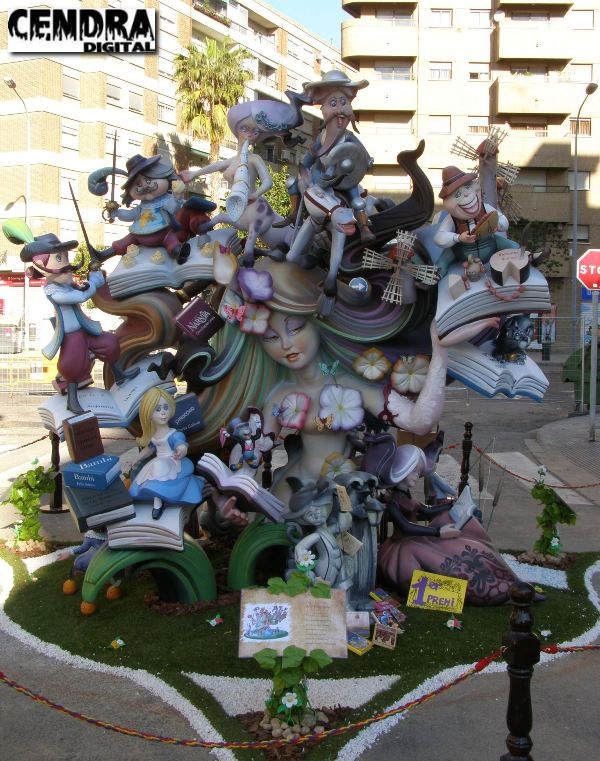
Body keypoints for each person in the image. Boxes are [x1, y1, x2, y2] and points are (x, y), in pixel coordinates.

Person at [187, 258, 499, 502]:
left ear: (318, 323)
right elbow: (252, 456)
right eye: (270, 336)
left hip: (343, 494)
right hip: (290, 492)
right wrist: (229, 496)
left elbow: (419, 422)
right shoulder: (278, 396)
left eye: (295, 328)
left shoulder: (353, 383)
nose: (286, 344)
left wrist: (439, 353)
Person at [362, 436, 520, 605]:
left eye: (418, 471)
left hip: (415, 540)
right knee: (430, 564)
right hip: (402, 548)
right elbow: (406, 527)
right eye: (414, 471)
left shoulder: (406, 495)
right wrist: (438, 532)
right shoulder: (394, 501)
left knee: (460, 536)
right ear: (402, 470)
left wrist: (451, 505)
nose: (417, 475)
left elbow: (425, 510)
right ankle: (454, 593)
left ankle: (499, 577)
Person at [16, 231, 137, 414]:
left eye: (65, 257)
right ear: (41, 264)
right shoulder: (53, 291)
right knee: (74, 364)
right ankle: (72, 400)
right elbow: (79, 297)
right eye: (59, 258)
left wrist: (93, 278)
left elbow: (80, 289)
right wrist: (93, 284)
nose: (66, 264)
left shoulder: (67, 285)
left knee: (109, 343)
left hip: (85, 330)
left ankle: (119, 375)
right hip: (72, 335)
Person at [179, 98, 304, 265]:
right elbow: (216, 165)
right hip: (239, 204)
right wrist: (194, 173)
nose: (250, 134)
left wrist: (256, 195)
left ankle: (251, 252)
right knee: (222, 217)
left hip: (256, 205)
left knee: (254, 228)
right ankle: (212, 232)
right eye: (245, 129)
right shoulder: (232, 161)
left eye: (255, 132)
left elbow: (268, 182)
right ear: (237, 131)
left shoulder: (254, 158)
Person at [89, 154, 192, 264]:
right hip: (139, 234)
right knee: (125, 241)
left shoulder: (167, 199)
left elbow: (173, 209)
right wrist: (117, 213)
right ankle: (104, 254)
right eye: (138, 184)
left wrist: (176, 197)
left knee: (171, 239)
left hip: (163, 232)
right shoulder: (141, 207)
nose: (145, 186)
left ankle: (178, 252)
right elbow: (130, 215)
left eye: (149, 180)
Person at [129, 387, 205, 519]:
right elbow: (150, 448)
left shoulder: (173, 434)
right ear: (148, 413)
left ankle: (158, 505)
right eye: (157, 410)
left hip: (172, 461)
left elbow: (180, 444)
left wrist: (181, 451)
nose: (163, 413)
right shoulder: (153, 435)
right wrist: (138, 458)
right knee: (148, 478)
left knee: (159, 473)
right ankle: (157, 502)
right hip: (159, 462)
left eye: (165, 407)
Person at [433, 165, 519, 278]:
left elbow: (503, 220)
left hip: (490, 244)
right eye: (458, 194)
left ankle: (527, 258)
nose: (466, 195)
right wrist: (458, 238)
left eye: (468, 187)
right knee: (444, 258)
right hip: (463, 251)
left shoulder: (486, 208)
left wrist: (499, 225)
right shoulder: (452, 218)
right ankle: (436, 275)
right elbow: (439, 238)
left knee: (514, 246)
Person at [562, 327, 600, 412]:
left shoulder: (585, 351)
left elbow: (570, 366)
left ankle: (585, 403)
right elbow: (571, 365)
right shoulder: (585, 351)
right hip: (586, 378)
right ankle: (584, 404)